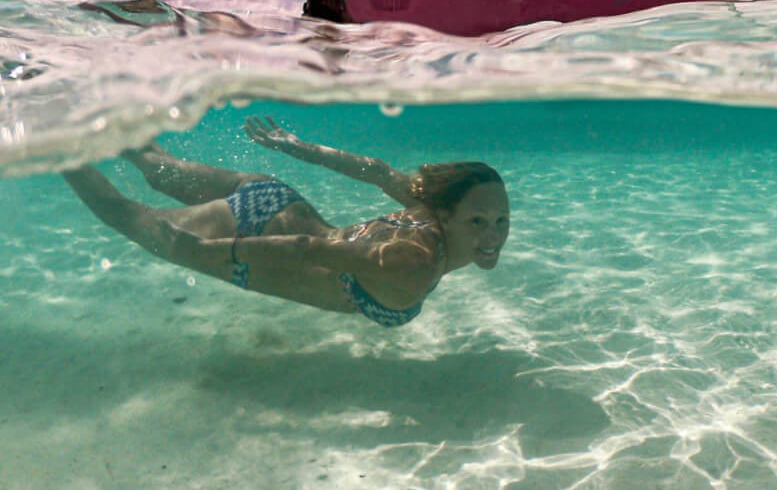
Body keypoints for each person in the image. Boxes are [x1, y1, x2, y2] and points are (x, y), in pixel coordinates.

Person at [62, 117, 510, 327]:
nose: (493, 236)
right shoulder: (417, 261)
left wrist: (294, 145)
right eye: (478, 221)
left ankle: (88, 110)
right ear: (449, 215)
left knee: (158, 167)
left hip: (276, 199)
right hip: (256, 240)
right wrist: (211, 253)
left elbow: (376, 170)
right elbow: (307, 250)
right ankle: (54, 142)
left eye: (500, 221)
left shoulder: (427, 207)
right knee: (124, 214)